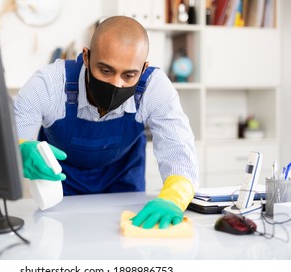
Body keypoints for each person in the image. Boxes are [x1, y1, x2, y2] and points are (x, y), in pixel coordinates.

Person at [14, 15, 199, 229]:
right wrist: (19, 149)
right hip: (61, 184)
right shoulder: (48, 84)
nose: (116, 84)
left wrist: (173, 198)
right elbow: (11, 137)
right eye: (105, 70)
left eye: (129, 75)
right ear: (86, 57)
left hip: (123, 180)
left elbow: (179, 152)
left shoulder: (155, 89)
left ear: (144, 67)